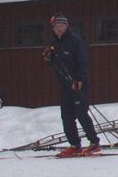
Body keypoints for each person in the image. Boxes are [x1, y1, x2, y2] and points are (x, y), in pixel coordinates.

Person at [43, 13, 101, 157]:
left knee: (81, 113)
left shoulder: (75, 40)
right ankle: (75, 145)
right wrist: (48, 58)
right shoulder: (53, 43)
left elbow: (83, 61)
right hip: (65, 85)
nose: (59, 29)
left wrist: (80, 80)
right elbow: (55, 64)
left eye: (61, 26)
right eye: (56, 26)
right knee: (67, 116)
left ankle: (94, 142)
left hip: (78, 83)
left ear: (66, 26)